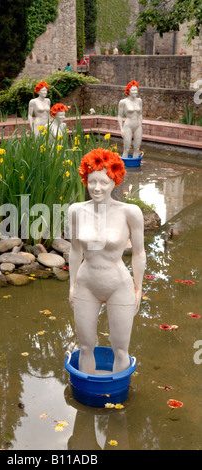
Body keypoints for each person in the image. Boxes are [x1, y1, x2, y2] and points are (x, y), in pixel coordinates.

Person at [68, 148, 146, 375]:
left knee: (121, 349)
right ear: (85, 180)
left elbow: (139, 253)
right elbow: (74, 251)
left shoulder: (130, 212)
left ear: (115, 181)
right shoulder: (76, 211)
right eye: (92, 182)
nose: (97, 188)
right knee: (84, 346)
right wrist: (72, 284)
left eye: (103, 182)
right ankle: (87, 393)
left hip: (118, 285)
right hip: (86, 283)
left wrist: (138, 288)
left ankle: (116, 395)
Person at [118, 80, 142, 158]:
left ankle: (136, 166)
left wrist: (141, 124)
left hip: (138, 126)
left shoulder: (139, 101)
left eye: (136, 90)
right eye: (133, 90)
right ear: (129, 90)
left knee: (137, 148)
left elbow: (140, 114)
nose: (135, 92)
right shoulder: (123, 102)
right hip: (128, 125)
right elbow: (119, 116)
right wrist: (121, 129)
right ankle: (124, 167)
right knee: (126, 148)